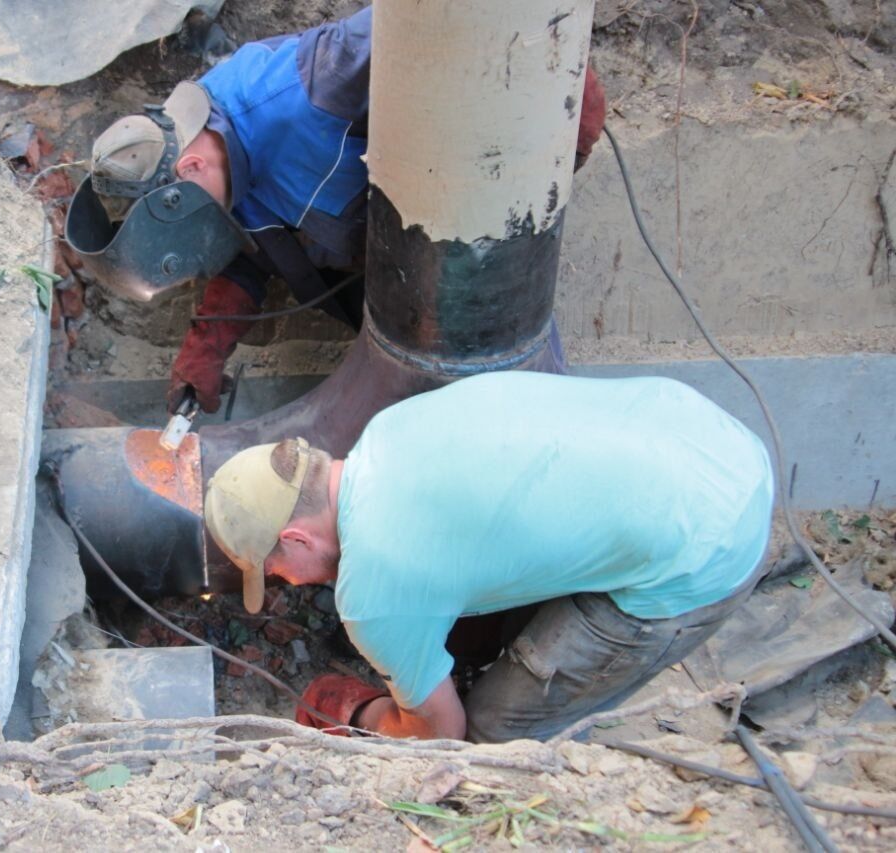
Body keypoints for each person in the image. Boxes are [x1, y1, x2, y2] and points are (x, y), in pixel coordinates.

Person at [66, 6, 607, 414]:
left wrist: (559, 141)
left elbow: (475, 19)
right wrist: (205, 348)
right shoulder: (222, 163)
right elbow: (252, 252)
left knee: (519, 413)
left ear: (186, 174)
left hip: (475, 281)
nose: (204, 246)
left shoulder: (315, 84)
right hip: (389, 310)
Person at [202, 372, 774, 742]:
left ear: (299, 538)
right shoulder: (391, 429)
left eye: (273, 567)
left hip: (708, 547)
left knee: (493, 736)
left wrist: (361, 716)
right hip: (709, 435)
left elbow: (443, 736)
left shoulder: (374, 595)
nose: (286, 582)